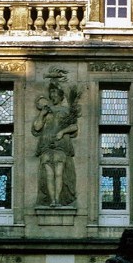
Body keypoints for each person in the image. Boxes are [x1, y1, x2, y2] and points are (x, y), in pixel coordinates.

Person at [32, 79, 79, 207]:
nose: (53, 96)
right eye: (51, 94)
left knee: (59, 173)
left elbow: (74, 127)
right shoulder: (46, 110)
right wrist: (42, 114)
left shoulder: (66, 110)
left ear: (60, 95)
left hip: (61, 144)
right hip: (46, 144)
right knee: (48, 174)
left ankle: (58, 200)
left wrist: (62, 132)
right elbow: (37, 127)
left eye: (55, 94)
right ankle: (52, 200)